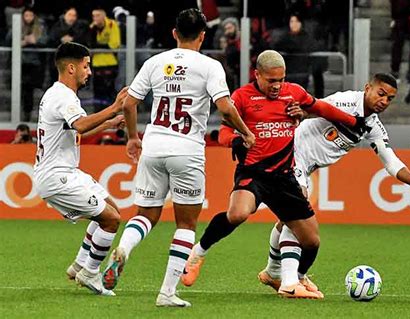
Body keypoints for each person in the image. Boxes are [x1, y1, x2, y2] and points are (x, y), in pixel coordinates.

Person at [180, 50, 370, 299]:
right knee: (237, 214)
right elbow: (222, 132)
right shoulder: (242, 98)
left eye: (281, 80)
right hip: (254, 173)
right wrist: (235, 140)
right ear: (256, 75)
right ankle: (198, 254)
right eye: (271, 81)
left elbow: (321, 108)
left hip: (284, 177)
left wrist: (353, 122)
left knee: (312, 241)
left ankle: (294, 277)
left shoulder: (294, 93)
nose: (277, 86)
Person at [101, 9, 255, 308]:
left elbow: (130, 103)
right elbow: (224, 108)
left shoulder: (154, 62)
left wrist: (133, 137)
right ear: (203, 35)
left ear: (174, 33)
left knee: (145, 215)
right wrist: (246, 133)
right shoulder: (210, 66)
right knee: (186, 224)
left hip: (154, 146)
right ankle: (167, 293)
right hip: (187, 151)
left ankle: (123, 249)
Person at [257, 73, 410, 293]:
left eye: (390, 98)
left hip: (306, 166)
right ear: (368, 88)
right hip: (292, 153)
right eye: (381, 94)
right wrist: (301, 112)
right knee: (298, 214)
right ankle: (290, 283)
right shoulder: (345, 101)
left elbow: (391, 163)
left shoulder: (373, 126)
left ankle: (273, 273)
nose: (384, 101)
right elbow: (314, 106)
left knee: (287, 218)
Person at [33, 42, 127, 296]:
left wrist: (108, 124)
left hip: (66, 171)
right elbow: (82, 125)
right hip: (57, 176)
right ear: (72, 68)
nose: (90, 72)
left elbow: (76, 130)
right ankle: (90, 273)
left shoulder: (59, 95)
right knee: (111, 220)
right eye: (86, 66)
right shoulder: (63, 96)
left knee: (112, 210)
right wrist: (114, 108)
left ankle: (79, 265)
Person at [89, 8, 121, 112]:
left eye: (98, 15)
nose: (95, 18)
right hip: (97, 63)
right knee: (97, 91)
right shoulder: (92, 27)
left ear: (103, 16)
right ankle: (97, 114)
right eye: (93, 16)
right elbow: (90, 44)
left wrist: (98, 47)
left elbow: (114, 44)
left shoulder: (112, 24)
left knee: (110, 90)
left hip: (110, 62)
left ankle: (111, 113)